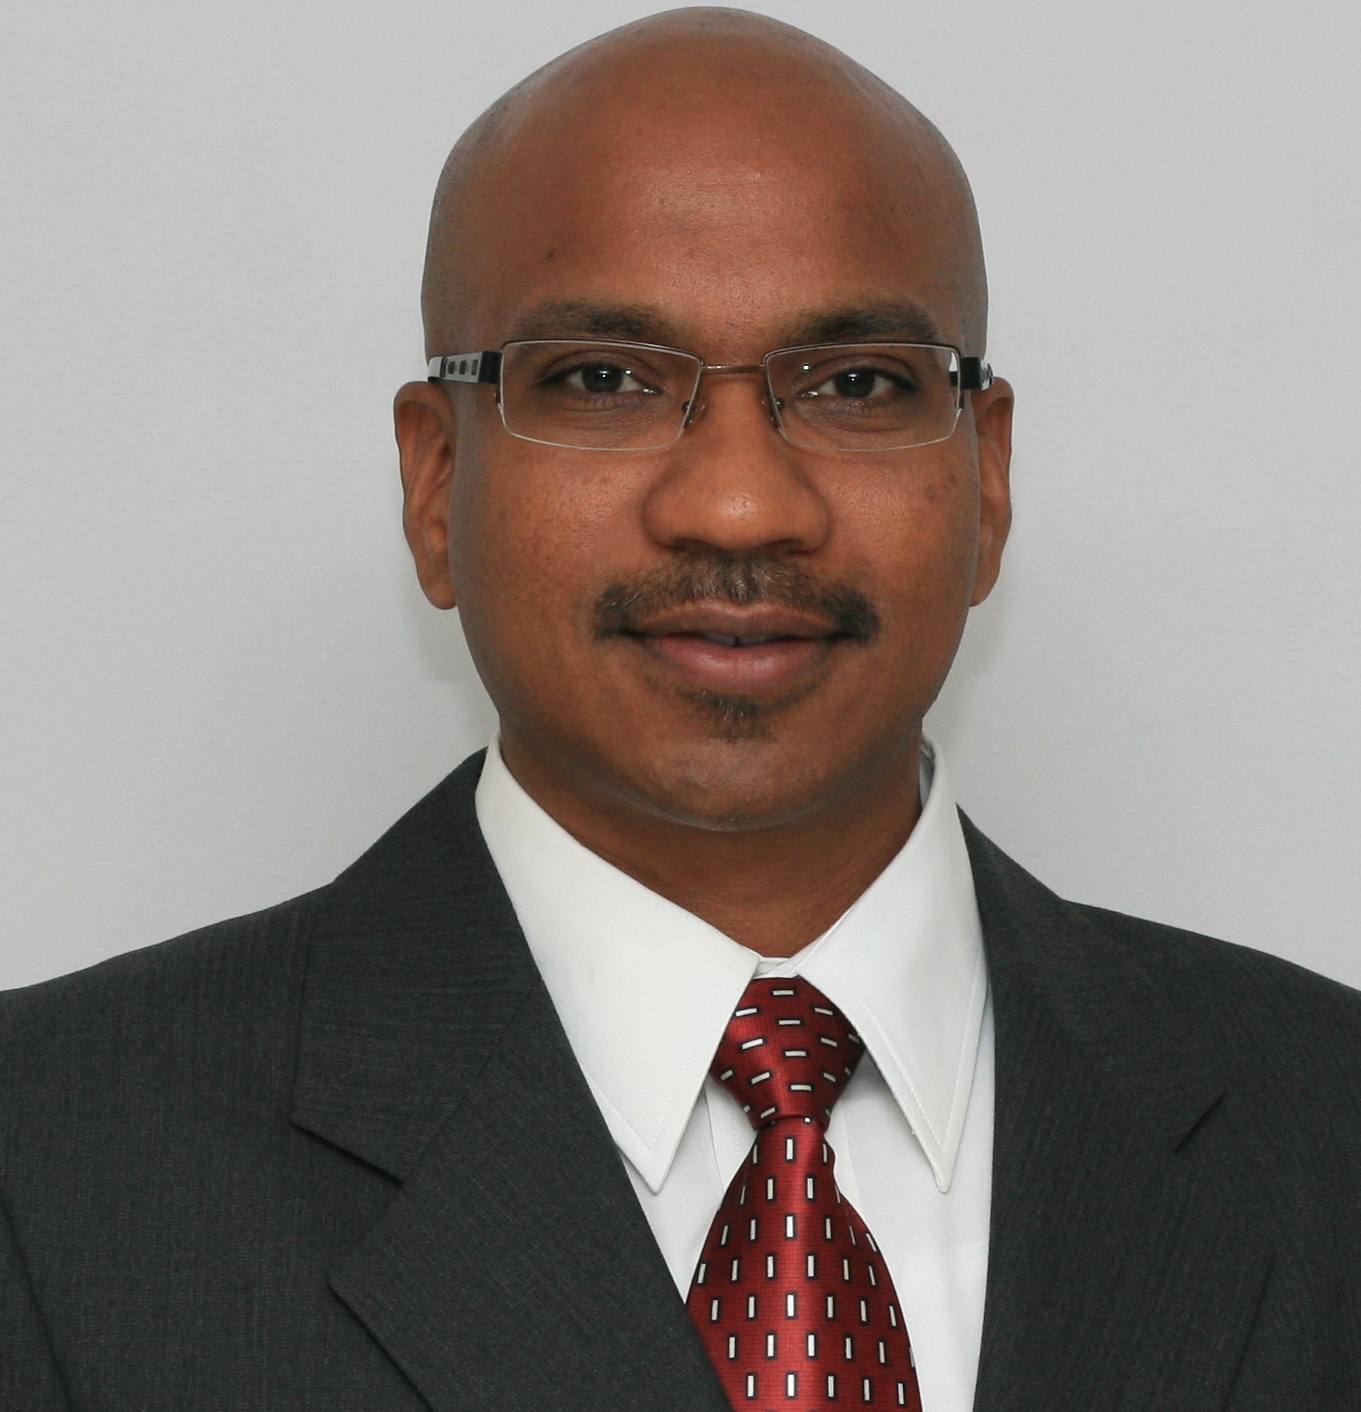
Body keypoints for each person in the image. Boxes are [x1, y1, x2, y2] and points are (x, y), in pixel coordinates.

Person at [2, 9, 1358, 1411]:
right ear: (434, 482)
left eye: (856, 384)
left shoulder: (1327, 1127)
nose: (741, 505)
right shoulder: (49, 1168)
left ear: (988, 478)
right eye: (603, 381)